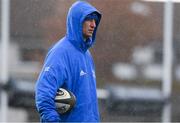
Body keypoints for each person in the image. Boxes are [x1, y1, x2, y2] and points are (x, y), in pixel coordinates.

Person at [35, 0, 102, 122]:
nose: (93, 24)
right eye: (88, 19)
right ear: (77, 21)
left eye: (95, 20)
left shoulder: (87, 55)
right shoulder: (60, 53)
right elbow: (44, 94)